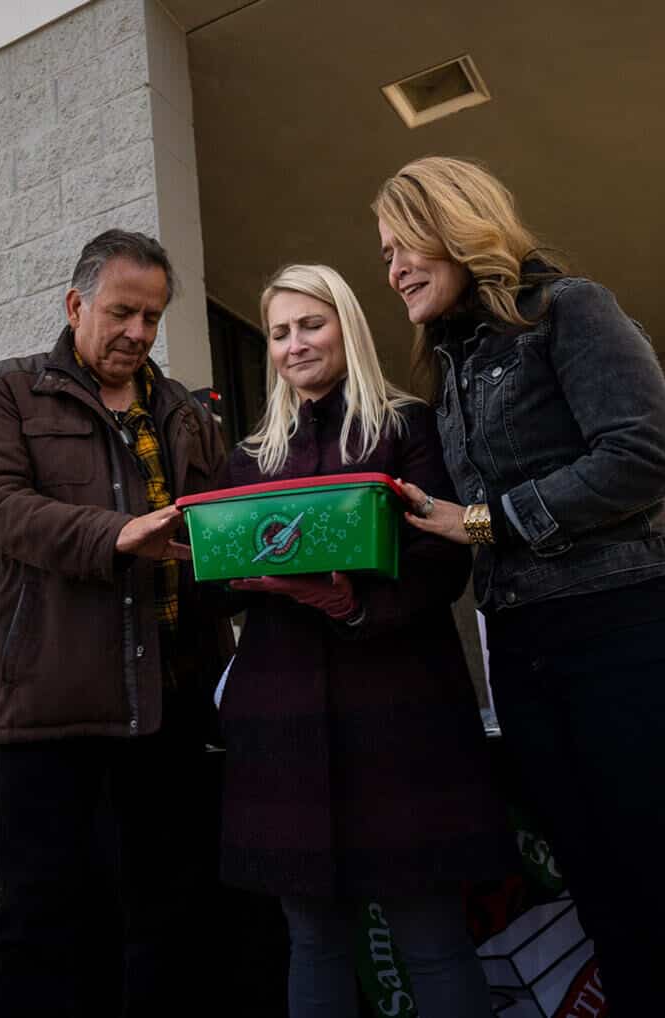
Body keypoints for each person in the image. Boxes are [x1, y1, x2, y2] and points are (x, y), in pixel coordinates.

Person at [376, 156, 665, 1017]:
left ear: (454, 224)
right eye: (382, 256)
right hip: (528, 653)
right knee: (610, 917)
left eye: (402, 244)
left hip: (629, 631)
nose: (393, 269)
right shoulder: (450, 366)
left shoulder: (569, 308)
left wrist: (483, 520)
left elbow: (639, 458)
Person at [216, 263, 508, 1018]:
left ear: (346, 324)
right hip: (280, 725)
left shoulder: (410, 427)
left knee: (431, 935)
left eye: (309, 324)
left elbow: (445, 559)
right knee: (311, 940)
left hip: (400, 719)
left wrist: (353, 606)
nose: (293, 344)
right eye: (279, 332)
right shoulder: (250, 456)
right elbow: (217, 573)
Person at [0, 229, 230, 1017]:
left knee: (166, 921)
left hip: (173, 709)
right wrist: (114, 536)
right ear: (76, 304)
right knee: (43, 925)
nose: (139, 334)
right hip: (53, 708)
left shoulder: (182, 410)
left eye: (152, 317)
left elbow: (213, 534)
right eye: (122, 312)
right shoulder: (9, 390)